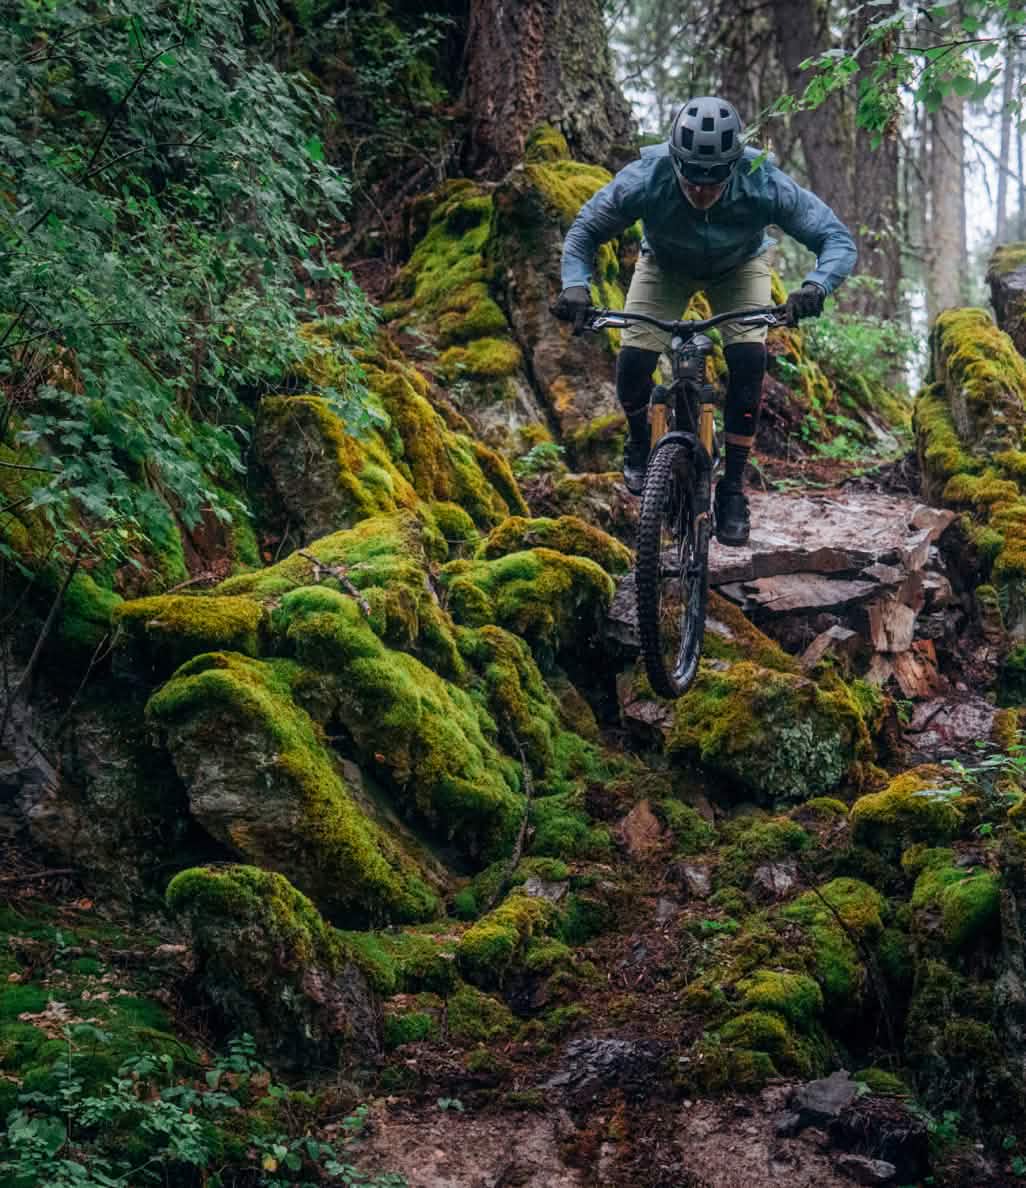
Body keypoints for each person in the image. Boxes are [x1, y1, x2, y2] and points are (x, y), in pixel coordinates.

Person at [552, 96, 856, 546]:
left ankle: (732, 488)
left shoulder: (762, 179)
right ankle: (640, 439)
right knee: (633, 364)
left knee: (749, 363)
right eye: (691, 178)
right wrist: (575, 285)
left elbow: (835, 238)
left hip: (740, 267)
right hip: (665, 266)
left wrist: (816, 286)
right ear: (675, 161)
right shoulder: (646, 176)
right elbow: (585, 230)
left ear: (734, 166)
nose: (701, 191)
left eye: (713, 181)